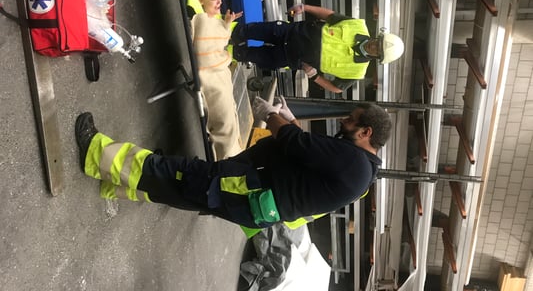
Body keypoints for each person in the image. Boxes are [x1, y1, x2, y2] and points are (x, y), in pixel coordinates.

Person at [75, 96, 391, 230]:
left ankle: (96, 153)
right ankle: (114, 183)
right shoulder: (361, 170)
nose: (345, 122)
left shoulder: (355, 163)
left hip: (250, 190)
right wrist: (291, 121)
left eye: (352, 120)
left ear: (366, 132)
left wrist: (271, 115)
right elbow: (311, 156)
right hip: (256, 200)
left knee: (181, 174)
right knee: (184, 191)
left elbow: (296, 144)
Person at [230, 3, 405, 93]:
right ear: (378, 36)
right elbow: (330, 15)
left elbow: (338, 88)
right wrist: (304, 8)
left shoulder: (357, 71)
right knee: (248, 30)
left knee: (250, 55)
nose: (374, 45)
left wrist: (314, 77)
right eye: (378, 42)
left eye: (378, 49)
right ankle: (222, 31)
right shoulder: (358, 26)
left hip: (291, 57)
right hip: (291, 32)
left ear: (377, 57)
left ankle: (225, 53)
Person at [188, 0, 243, 160]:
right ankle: (230, 164)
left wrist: (226, 24)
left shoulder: (212, 20)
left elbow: (218, 41)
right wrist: (224, 27)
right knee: (227, 126)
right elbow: (206, 50)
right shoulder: (201, 20)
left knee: (232, 121)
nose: (219, 2)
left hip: (221, 76)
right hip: (212, 76)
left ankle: (234, 161)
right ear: (200, 0)